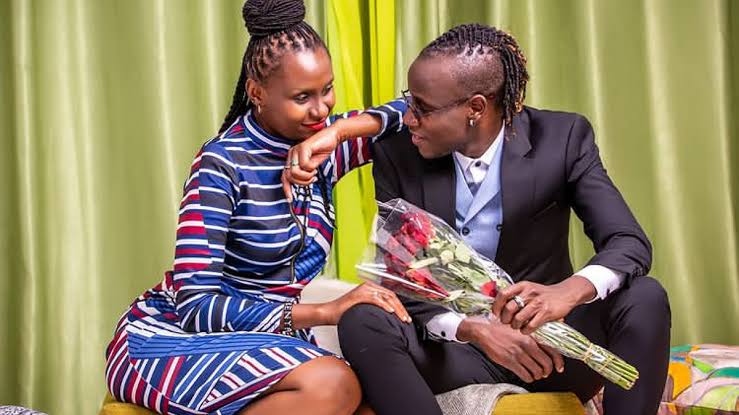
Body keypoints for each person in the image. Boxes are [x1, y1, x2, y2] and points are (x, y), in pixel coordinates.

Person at [297, 24, 671, 415]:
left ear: (475, 108)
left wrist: (567, 293)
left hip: (552, 355)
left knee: (645, 296)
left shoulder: (562, 138)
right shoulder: (397, 155)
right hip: (454, 355)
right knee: (363, 319)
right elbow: (401, 281)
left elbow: (628, 242)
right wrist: (472, 330)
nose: (407, 119)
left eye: (422, 108)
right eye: (410, 102)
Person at [103, 1, 409, 414]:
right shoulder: (221, 164)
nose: (321, 109)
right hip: (175, 340)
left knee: (373, 397)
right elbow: (196, 306)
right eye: (302, 97)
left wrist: (339, 133)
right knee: (334, 386)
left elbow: (421, 107)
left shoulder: (322, 142)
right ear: (257, 92)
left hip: (267, 339)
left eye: (327, 89)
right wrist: (327, 311)